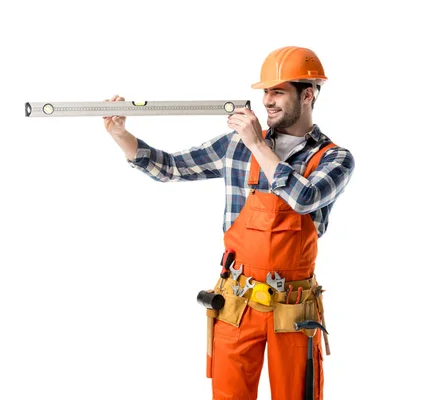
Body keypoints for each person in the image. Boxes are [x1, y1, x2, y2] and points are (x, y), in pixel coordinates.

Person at [103, 46, 354, 400]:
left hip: (294, 306)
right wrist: (121, 136)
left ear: (308, 94)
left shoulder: (334, 158)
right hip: (238, 299)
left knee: (297, 394)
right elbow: (171, 168)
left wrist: (257, 144)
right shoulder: (235, 146)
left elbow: (304, 198)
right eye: (265, 91)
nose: (267, 100)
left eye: (278, 91)